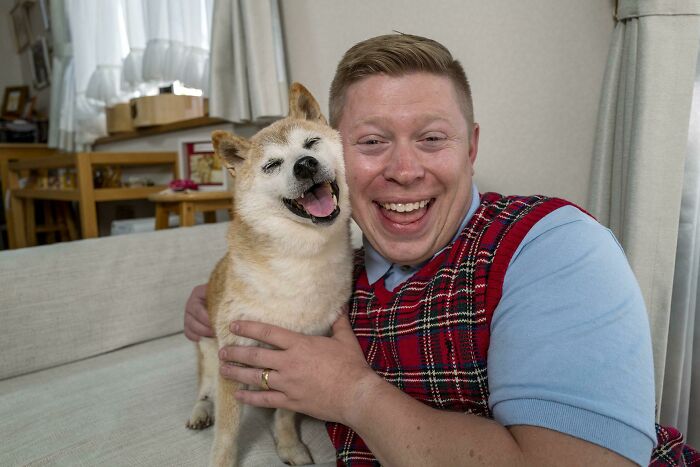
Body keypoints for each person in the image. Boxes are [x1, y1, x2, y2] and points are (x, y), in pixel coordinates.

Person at [185, 34, 659, 466]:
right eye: (371, 142)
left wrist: (351, 393)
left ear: (470, 149)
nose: (405, 170)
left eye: (432, 139)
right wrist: (212, 298)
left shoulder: (553, 247)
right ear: (339, 154)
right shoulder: (335, 274)